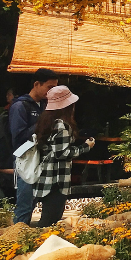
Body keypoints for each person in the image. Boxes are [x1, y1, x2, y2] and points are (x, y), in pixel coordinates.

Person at [31, 86, 94, 227]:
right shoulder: (62, 126)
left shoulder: (46, 121)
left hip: (46, 177)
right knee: (50, 221)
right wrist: (86, 147)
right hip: (57, 180)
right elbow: (62, 153)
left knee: (48, 219)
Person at [9, 69, 58, 225]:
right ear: (37, 84)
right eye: (50, 87)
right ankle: (13, 243)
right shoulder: (20, 106)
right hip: (26, 162)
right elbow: (18, 137)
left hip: (40, 161)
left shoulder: (44, 105)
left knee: (32, 204)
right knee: (24, 206)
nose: (52, 92)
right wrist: (42, 123)